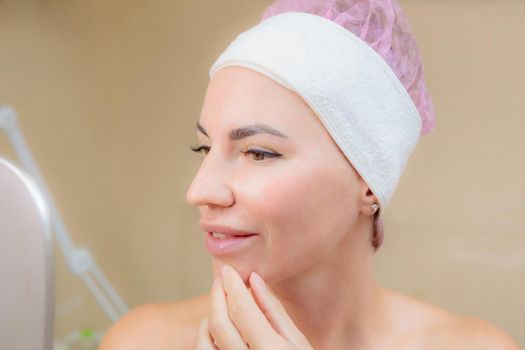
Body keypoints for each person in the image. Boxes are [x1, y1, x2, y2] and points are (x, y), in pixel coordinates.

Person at [100, 1, 520, 349]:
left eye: (258, 153)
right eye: (205, 148)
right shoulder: (143, 340)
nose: (200, 191)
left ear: (368, 179)